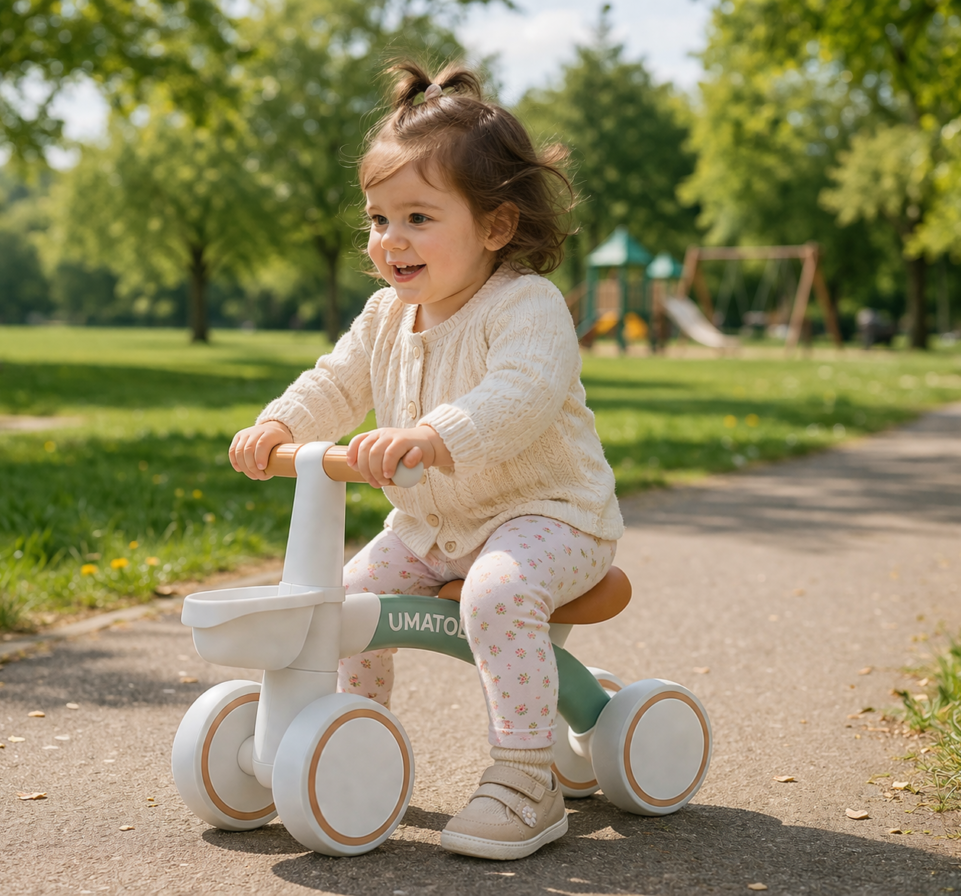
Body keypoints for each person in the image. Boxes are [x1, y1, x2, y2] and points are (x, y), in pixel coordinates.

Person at [229, 61, 624, 861]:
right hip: (436, 525)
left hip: (552, 515)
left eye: (416, 216)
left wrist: (433, 435)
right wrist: (279, 424)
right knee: (339, 606)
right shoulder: (384, 314)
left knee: (499, 592)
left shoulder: (525, 308)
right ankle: (348, 742)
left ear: (496, 228)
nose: (390, 241)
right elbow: (337, 380)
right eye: (378, 219)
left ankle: (526, 776)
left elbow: (522, 394)